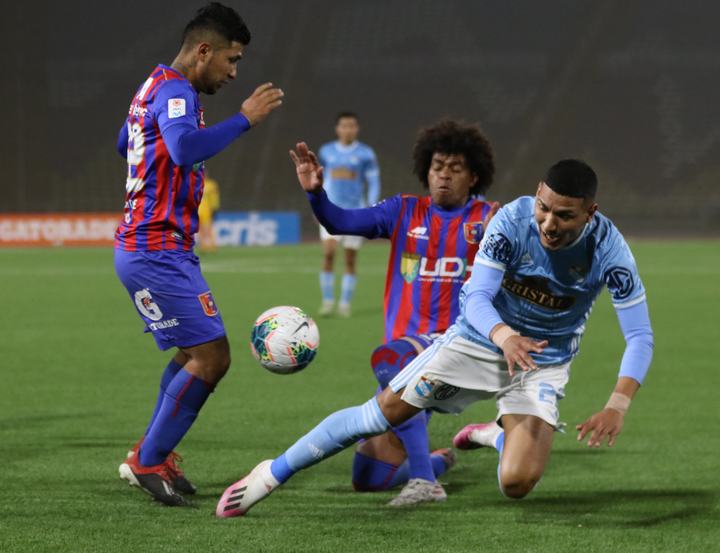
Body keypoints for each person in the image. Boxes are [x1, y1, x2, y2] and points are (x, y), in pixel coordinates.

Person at [216, 158, 654, 518]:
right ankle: (269, 474)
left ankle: (493, 434)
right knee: (379, 414)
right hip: (478, 341)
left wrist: (617, 405)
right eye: (545, 208)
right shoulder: (512, 221)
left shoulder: (610, 253)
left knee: (517, 484)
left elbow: (639, 336)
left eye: (565, 216)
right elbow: (477, 296)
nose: (549, 223)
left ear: (590, 213)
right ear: (537, 193)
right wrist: (504, 336)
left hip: (542, 360)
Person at [113, 2, 283, 506]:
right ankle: (147, 460)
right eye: (232, 60)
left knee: (195, 353)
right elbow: (185, 149)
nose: (233, 72)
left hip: (156, 248)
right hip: (155, 249)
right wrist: (245, 119)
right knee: (213, 357)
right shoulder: (176, 91)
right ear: (204, 50)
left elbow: (126, 141)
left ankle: (150, 453)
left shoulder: (153, 87)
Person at [298, 120, 497, 506]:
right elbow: (340, 222)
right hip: (405, 353)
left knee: (393, 362)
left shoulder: (488, 220)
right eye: (438, 166)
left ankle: (424, 480)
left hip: (454, 351)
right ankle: (436, 463)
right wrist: (316, 194)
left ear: (474, 177)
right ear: (426, 170)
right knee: (369, 478)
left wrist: (505, 239)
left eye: (455, 168)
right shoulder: (404, 211)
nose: (444, 175)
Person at [316, 112, 381, 317]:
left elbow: (374, 182)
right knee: (328, 253)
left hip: (355, 212)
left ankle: (344, 303)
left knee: (350, 259)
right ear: (337, 129)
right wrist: (318, 205)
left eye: (352, 126)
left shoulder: (366, 154)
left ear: (357, 128)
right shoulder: (326, 151)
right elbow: (320, 180)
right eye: (344, 126)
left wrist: (371, 207)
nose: (348, 130)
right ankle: (327, 301)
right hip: (331, 210)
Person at [198, 173, 220, 252]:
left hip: (207, 210)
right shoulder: (196, 184)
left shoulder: (211, 185)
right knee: (200, 229)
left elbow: (214, 198)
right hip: (197, 210)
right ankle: (203, 246)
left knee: (208, 229)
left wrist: (214, 208)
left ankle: (213, 245)